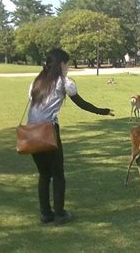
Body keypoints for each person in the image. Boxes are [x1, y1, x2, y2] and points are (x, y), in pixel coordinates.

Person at [27, 48, 114, 225]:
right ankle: (60, 214)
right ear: (61, 64)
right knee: (58, 173)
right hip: (48, 131)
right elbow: (81, 103)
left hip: (31, 132)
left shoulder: (36, 82)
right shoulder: (64, 82)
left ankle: (46, 214)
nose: (67, 67)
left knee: (44, 174)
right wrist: (102, 111)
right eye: (66, 64)